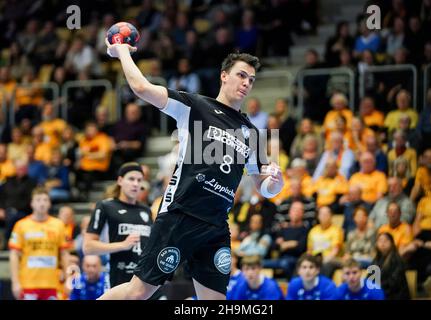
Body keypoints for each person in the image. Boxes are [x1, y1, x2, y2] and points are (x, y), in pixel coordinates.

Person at [98, 41, 284, 300]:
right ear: (224, 76)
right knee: (138, 292)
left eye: (251, 80)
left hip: (216, 225)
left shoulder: (251, 132)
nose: (246, 83)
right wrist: (122, 53)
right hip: (180, 215)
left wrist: (277, 180)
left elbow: (263, 187)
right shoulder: (195, 106)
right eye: (241, 75)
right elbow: (142, 88)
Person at [83, 162, 155, 292]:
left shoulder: (146, 210)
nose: (135, 184)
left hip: (143, 280)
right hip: (116, 279)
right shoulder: (106, 207)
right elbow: (88, 247)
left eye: (139, 180)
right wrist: (122, 245)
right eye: (131, 179)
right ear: (120, 180)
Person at [8, 187, 69, 300]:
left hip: (53, 284)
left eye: (45, 200)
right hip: (28, 284)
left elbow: (64, 254)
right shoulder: (21, 225)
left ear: (50, 203)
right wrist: (15, 282)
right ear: (32, 203)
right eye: (38, 200)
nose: (42, 203)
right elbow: (14, 255)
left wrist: (68, 279)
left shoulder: (59, 225)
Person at [373, 232, 411, 300]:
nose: (382, 243)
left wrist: (377, 289)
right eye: (380, 240)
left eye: (386, 240)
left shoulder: (397, 260)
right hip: (381, 293)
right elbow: (370, 280)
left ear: (392, 243)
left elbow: (394, 283)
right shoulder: (376, 260)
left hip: (396, 295)